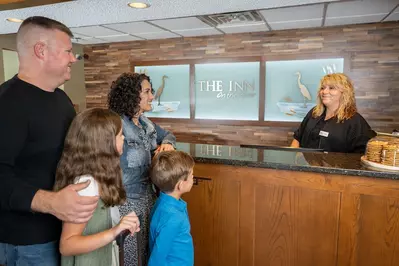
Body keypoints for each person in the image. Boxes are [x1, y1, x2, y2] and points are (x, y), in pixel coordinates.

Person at [0, 16, 98, 265]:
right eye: (67, 51)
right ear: (40, 50)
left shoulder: (61, 101)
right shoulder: (7, 104)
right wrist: (52, 202)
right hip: (24, 244)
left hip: (60, 235)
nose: (73, 58)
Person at [53, 108, 140, 266]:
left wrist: (121, 224)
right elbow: (67, 245)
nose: (124, 137)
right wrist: (114, 232)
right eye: (120, 134)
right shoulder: (86, 185)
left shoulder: (100, 178)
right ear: (105, 143)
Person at [108, 72, 176, 265]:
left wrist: (168, 144)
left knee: (148, 254)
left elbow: (168, 135)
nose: (152, 96)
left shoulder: (146, 122)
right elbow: (114, 173)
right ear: (131, 95)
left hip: (149, 201)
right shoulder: (115, 124)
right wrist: (152, 170)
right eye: (147, 91)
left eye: (151, 91)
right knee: (130, 257)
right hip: (127, 205)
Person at [290, 73, 376, 153]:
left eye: (331, 88)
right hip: (305, 167)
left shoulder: (355, 121)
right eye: (323, 88)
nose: (324, 92)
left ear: (344, 93)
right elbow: (297, 138)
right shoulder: (314, 113)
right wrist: (292, 159)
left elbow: (363, 154)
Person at [148, 150, 194, 266]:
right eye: (191, 176)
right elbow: (156, 259)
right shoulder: (173, 217)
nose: (193, 178)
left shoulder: (162, 203)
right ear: (180, 185)